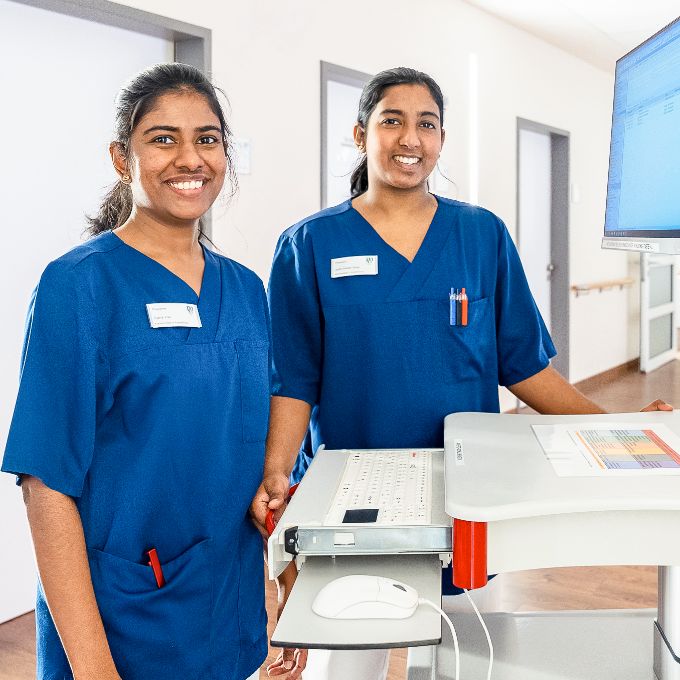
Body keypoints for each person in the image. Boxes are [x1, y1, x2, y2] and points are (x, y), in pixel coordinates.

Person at [251, 66, 672, 680]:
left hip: (466, 492)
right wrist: (276, 479)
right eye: (391, 120)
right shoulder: (310, 245)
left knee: (465, 658)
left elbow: (524, 367)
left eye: (426, 124)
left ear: (442, 139)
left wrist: (620, 428)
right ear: (359, 133)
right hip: (355, 496)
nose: (409, 139)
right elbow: (291, 379)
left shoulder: (481, 235)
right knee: (344, 664)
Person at [2, 63, 269, 680]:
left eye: (206, 138)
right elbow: (46, 484)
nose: (189, 158)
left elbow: (241, 451)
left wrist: (275, 594)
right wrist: (95, 670)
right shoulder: (79, 285)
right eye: (163, 138)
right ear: (123, 158)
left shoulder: (247, 291)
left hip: (225, 606)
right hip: (123, 619)